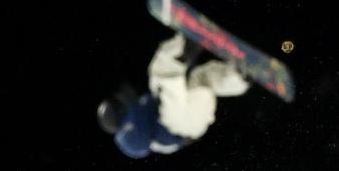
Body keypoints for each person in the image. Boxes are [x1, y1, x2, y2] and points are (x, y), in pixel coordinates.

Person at [97, 32, 250, 159]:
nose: (121, 97)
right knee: (159, 74)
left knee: (201, 79)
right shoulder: (126, 135)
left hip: (193, 121)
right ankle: (185, 45)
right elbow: (139, 147)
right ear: (118, 111)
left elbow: (168, 96)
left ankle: (239, 77)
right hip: (180, 124)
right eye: (118, 101)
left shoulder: (142, 105)